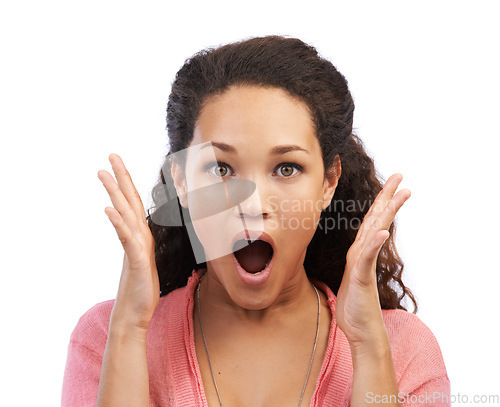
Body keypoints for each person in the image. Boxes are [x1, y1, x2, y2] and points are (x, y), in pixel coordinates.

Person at [61, 35, 450, 407]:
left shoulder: (403, 351)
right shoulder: (105, 338)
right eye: (221, 168)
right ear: (181, 181)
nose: (253, 204)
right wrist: (128, 331)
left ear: (328, 182)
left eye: (286, 168)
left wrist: (368, 348)